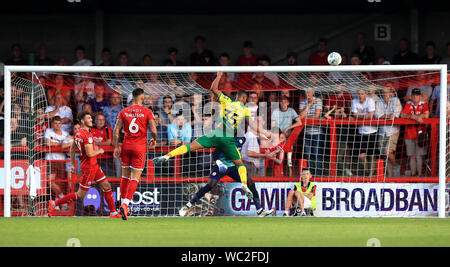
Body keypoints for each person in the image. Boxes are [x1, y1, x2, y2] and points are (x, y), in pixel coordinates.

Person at [153, 72, 271, 200]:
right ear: (245, 99)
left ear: (236, 96)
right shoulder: (245, 109)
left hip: (216, 134)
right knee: (239, 164)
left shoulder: (227, 101)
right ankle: (243, 184)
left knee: (191, 146)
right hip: (228, 139)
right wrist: (265, 132)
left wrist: (219, 75)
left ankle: (167, 155)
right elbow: (253, 125)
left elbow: (213, 89)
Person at [47, 111, 120, 218]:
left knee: (107, 186)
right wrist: (99, 151)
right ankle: (54, 204)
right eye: (89, 118)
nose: (91, 120)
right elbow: (90, 153)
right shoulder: (86, 134)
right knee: (80, 195)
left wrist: (72, 163)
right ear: (82, 121)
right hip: (89, 167)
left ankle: (113, 212)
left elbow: (72, 149)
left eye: (91, 118)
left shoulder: (78, 134)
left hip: (93, 166)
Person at [179, 137, 274, 217]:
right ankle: (188, 205)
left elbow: (255, 137)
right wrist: (219, 163)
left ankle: (260, 210)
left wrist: (269, 140)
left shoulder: (242, 139)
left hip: (233, 167)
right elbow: (215, 154)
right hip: (221, 166)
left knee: (250, 182)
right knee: (210, 185)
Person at [113, 88, 157, 220]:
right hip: (139, 147)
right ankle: (125, 205)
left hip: (126, 146)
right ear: (142, 97)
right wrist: (154, 139)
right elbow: (154, 130)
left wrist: (116, 146)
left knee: (125, 177)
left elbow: (116, 131)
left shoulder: (124, 111)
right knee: (135, 178)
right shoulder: (147, 111)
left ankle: (121, 203)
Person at [44, 116, 73, 211]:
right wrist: (61, 144)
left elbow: (71, 142)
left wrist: (61, 143)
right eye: (55, 123)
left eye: (59, 123)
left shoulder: (65, 134)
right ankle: (62, 198)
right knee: (50, 181)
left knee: (59, 183)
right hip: (51, 159)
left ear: (61, 124)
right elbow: (48, 143)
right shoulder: (49, 131)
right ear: (52, 124)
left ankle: (57, 203)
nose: (57, 125)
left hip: (62, 160)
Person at [401, 88, 430, 176]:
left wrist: (416, 116)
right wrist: (412, 117)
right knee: (412, 156)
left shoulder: (424, 104)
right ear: (411, 96)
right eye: (413, 95)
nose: (415, 97)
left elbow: (426, 115)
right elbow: (402, 115)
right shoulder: (408, 104)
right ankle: (413, 174)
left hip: (421, 134)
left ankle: (420, 175)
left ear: (420, 96)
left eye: (417, 95)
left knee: (419, 156)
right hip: (409, 133)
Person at [374, 87, 403, 177]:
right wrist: (387, 116)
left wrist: (384, 116)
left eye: (387, 93)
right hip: (382, 131)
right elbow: (377, 115)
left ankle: (397, 165)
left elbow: (395, 115)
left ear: (391, 93)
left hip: (392, 131)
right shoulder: (379, 101)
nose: (385, 95)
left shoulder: (396, 100)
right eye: (383, 93)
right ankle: (390, 175)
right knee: (384, 154)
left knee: (387, 152)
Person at [351, 89, 378, 176]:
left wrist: (359, 116)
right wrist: (364, 116)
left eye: (362, 94)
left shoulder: (370, 101)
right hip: (361, 132)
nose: (360, 96)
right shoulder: (354, 101)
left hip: (372, 131)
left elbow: (370, 115)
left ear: (366, 94)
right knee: (362, 156)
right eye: (358, 94)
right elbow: (354, 114)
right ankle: (366, 172)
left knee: (372, 156)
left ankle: (371, 174)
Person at [299, 89, 324, 175]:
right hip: (307, 132)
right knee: (308, 155)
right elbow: (300, 117)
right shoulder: (303, 102)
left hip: (317, 132)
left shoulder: (318, 101)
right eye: (306, 91)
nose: (307, 93)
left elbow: (316, 116)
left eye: (309, 91)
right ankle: (308, 174)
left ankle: (318, 174)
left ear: (313, 92)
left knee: (317, 154)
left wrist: (305, 116)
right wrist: (309, 105)